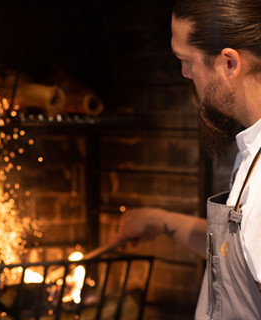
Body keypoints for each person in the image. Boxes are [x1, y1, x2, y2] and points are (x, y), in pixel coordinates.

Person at [112, 0, 261, 318]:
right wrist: (161, 221)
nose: (184, 73)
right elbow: (239, 260)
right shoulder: (254, 147)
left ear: (229, 64)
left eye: (187, 60)